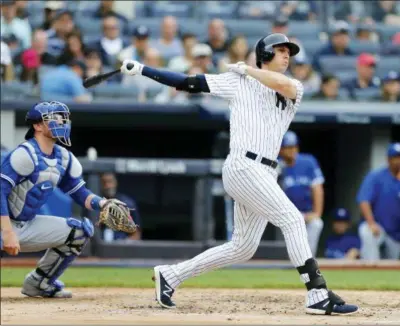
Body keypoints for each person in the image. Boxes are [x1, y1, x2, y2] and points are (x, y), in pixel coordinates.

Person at [120, 33, 358, 315]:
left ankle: (171, 275)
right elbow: (187, 82)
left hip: (266, 171)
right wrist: (144, 69)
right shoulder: (237, 82)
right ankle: (317, 293)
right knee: (293, 219)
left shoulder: (291, 86)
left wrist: (247, 68)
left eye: (288, 52)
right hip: (243, 166)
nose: (286, 56)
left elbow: (280, 83)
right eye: (280, 51)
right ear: (265, 54)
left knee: (243, 247)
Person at [0, 101, 130, 298]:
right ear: (37, 125)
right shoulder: (24, 154)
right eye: (53, 118)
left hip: (25, 224)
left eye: (62, 118)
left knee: (79, 231)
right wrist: (7, 232)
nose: (61, 122)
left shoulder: (63, 157)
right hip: (4, 225)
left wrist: (102, 203)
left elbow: (78, 191)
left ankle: (39, 283)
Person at [357, 142, 400, 260]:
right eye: (396, 157)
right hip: (378, 227)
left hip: (396, 233)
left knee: (392, 265)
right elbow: (364, 200)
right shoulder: (376, 176)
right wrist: (371, 223)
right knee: (366, 231)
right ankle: (370, 269)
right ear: (388, 159)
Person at [279, 131, 324, 257]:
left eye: (294, 147)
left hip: (305, 213)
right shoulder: (275, 165)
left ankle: (308, 261)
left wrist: (317, 213)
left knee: (317, 223)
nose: (292, 150)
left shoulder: (308, 162)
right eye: (288, 148)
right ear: (280, 150)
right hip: (284, 214)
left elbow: (317, 189)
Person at [99, 172, 141, 241]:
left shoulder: (127, 204)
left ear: (116, 182)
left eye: (110, 181)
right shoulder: (95, 204)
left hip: (121, 246)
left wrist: (126, 244)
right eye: (104, 182)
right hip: (100, 246)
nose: (108, 186)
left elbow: (136, 234)